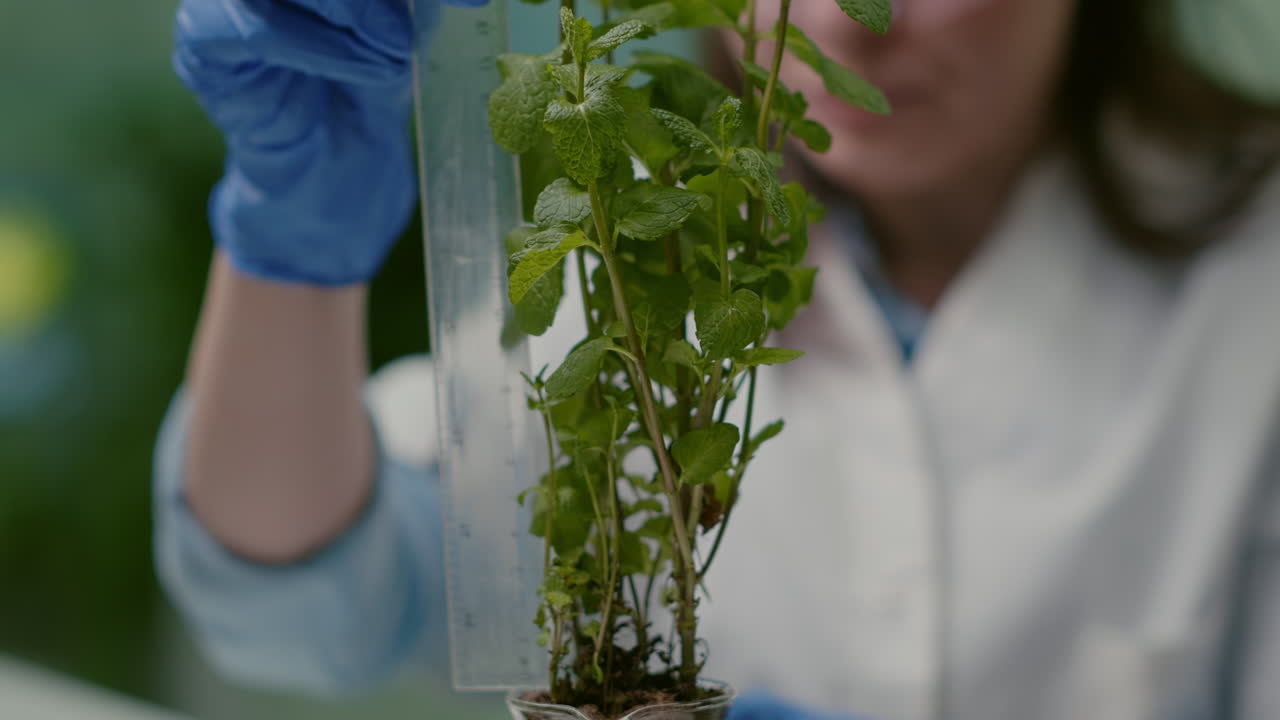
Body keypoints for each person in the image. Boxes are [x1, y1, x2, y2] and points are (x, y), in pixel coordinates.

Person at [154, 0, 1280, 718]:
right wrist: (292, 249)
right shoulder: (623, 234)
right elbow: (301, 610)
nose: (852, 21)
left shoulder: (1254, 269)